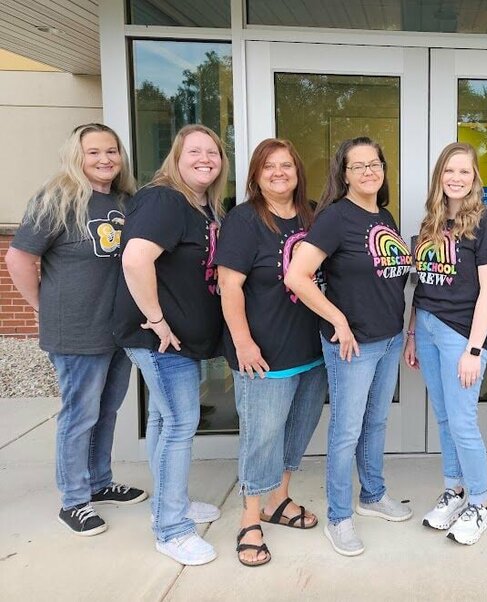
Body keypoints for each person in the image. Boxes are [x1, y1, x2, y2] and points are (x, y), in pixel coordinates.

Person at [5, 123, 147, 536]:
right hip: (78, 331)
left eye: (112, 151)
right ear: (76, 156)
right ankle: (73, 499)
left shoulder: (125, 200)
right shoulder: (57, 199)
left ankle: (100, 482)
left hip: (119, 328)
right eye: (93, 152)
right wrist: (44, 308)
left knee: (107, 410)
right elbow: (18, 259)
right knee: (79, 415)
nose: (105, 159)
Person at [285, 136, 413, 556]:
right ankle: (339, 517)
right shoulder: (335, 218)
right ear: (344, 174)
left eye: (374, 163)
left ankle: (372, 495)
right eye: (357, 166)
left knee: (375, 423)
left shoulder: (385, 215)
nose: (368, 171)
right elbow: (297, 276)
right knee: (346, 430)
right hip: (352, 345)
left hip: (389, 337)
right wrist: (337, 318)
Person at [112, 124, 228, 565]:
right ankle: (171, 529)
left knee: (164, 421)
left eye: (212, 152)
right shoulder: (164, 198)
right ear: (176, 157)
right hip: (159, 337)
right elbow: (136, 258)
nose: (205, 158)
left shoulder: (199, 206)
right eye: (194, 151)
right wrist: (157, 320)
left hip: (177, 338)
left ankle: (169, 501)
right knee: (180, 423)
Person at [216, 139, 327, 567]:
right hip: (263, 354)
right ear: (256, 174)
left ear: (298, 172)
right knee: (261, 438)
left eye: (286, 166)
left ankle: (278, 500)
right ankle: (249, 518)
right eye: (269, 167)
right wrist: (242, 341)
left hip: (310, 350)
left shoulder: (310, 214)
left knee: (296, 433)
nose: (279, 173)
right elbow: (230, 286)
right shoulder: (243, 220)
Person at [403, 142, 487, 545]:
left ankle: (479, 503)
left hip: (461, 333)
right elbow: (421, 285)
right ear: (439, 177)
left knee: (462, 421)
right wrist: (412, 332)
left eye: (464, 171)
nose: (456, 178)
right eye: (449, 171)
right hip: (427, 326)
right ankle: (455, 491)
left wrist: (475, 349)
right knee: (444, 418)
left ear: (474, 177)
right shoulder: (430, 221)